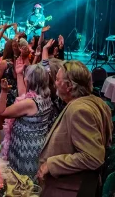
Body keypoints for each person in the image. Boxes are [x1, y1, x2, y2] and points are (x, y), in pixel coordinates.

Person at [37, 60, 113, 197]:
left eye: (57, 79)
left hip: (70, 189)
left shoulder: (79, 110)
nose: (55, 83)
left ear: (69, 86)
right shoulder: (95, 102)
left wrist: (51, 164)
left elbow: (93, 157)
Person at [0, 62, 54, 179]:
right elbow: (23, 95)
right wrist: (19, 74)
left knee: (23, 182)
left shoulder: (30, 103)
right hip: (36, 145)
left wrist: (3, 92)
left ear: (30, 81)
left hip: (25, 149)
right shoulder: (45, 96)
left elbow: (1, 112)